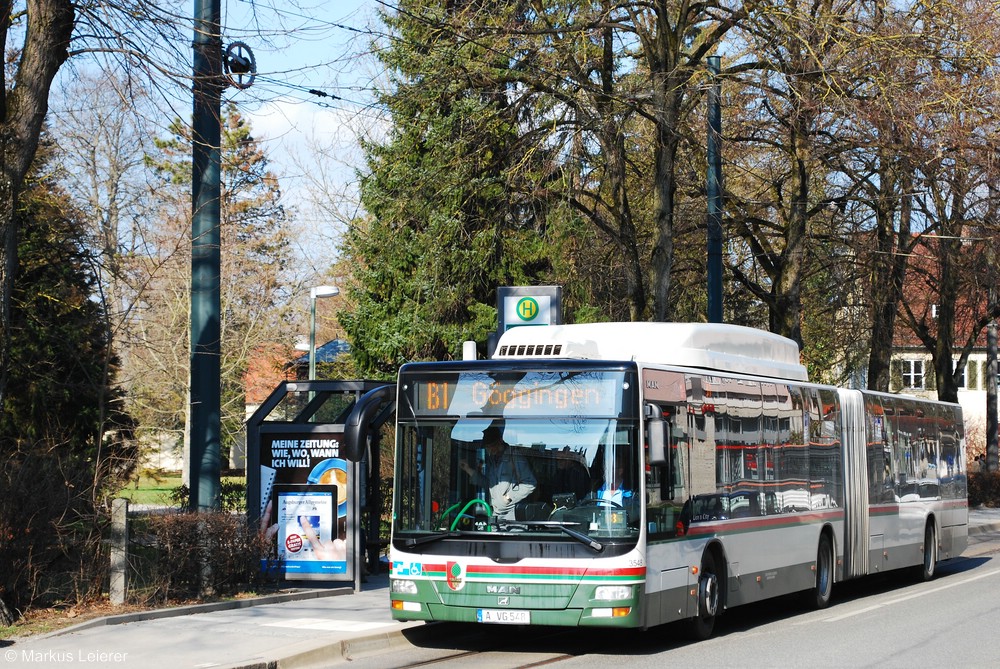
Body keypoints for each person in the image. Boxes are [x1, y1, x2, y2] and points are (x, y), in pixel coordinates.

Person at [460, 424, 536, 519]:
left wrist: (507, 498)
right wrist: (468, 469)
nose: (490, 450)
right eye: (487, 447)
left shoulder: (514, 458)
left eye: (492, 446)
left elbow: (530, 483)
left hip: (513, 518)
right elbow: (489, 484)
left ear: (500, 441)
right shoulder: (493, 461)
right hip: (495, 515)